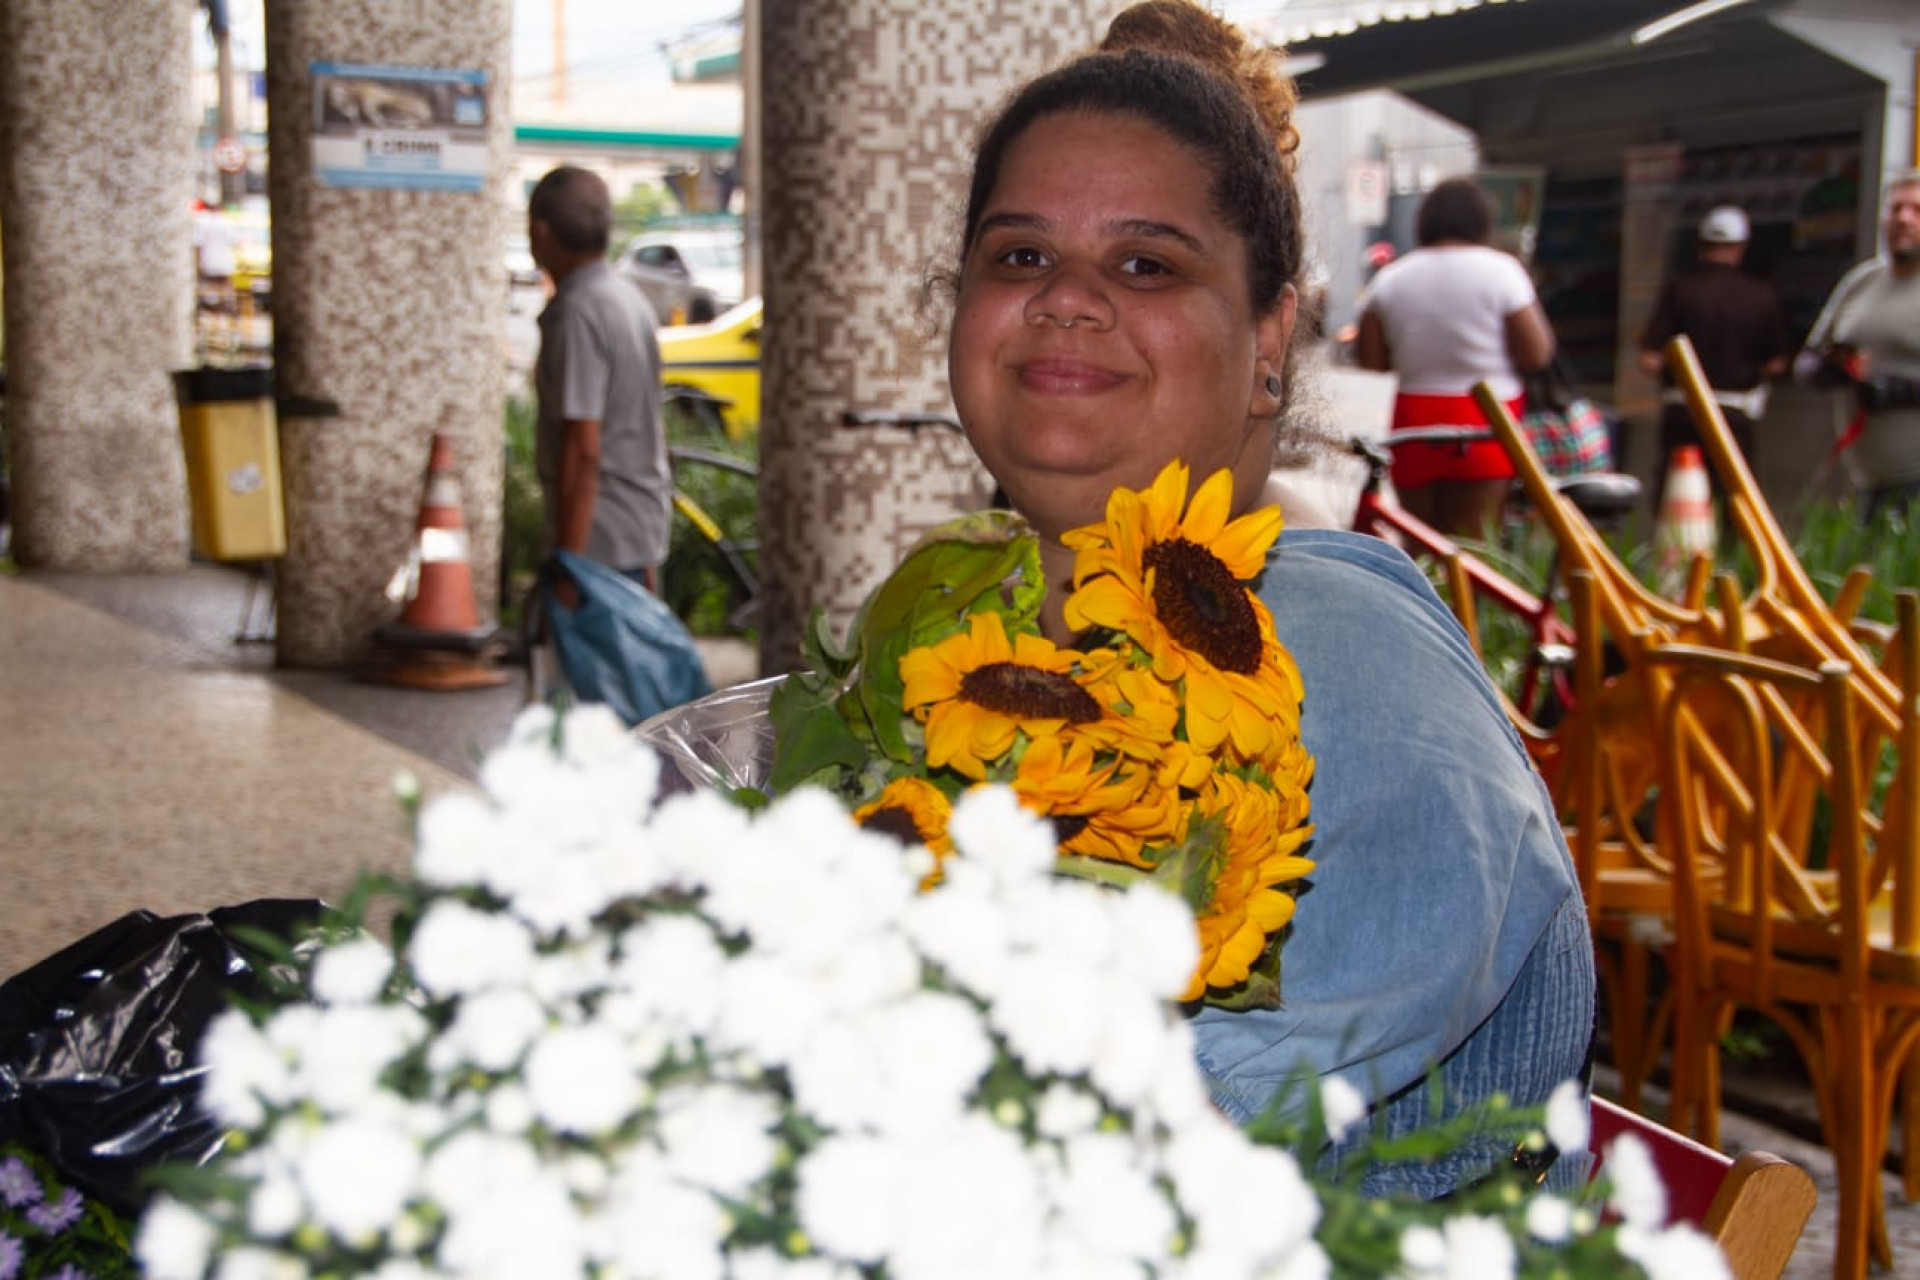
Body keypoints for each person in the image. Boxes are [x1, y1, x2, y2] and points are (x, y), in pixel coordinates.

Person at [944, 29, 1593, 1197]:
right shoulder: (989, 637)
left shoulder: (1340, 657)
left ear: (1268, 342)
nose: (1068, 300)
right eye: (1021, 252)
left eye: (1146, 264)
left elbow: (1119, 1168)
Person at [1355, 179, 1556, 538]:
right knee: (1475, 552)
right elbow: (1536, 354)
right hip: (1487, 419)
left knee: (1421, 547)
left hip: (1413, 421)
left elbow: (1372, 361)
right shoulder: (1502, 272)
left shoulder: (1391, 279)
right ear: (1481, 221)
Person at [528, 165, 673, 596]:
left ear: (540, 232)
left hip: (599, 545)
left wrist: (569, 567)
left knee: (594, 664)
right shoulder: (626, 297)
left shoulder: (578, 312)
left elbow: (583, 449)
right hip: (637, 534)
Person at [1637, 204, 1789, 506]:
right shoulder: (1761, 296)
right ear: (1741, 247)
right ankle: (1733, 552)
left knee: (1678, 498)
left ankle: (1676, 553)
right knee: (1736, 498)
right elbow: (1777, 362)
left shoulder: (1678, 291)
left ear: (1700, 245)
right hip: (1736, 415)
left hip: (1683, 412)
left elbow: (1649, 358)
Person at [1798, 169, 1920, 521]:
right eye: (1895, 209)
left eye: (1915, 210)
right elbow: (1806, 361)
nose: (1903, 219)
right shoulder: (1861, 281)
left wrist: (1897, 391)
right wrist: (1831, 370)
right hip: (1866, 481)